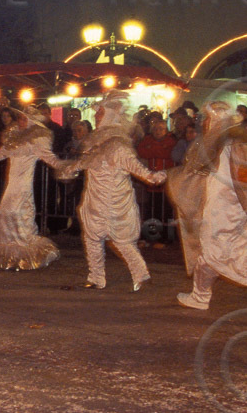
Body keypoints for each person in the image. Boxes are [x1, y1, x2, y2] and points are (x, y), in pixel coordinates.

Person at [168, 101, 247, 324]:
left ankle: (201, 296)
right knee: (244, 258)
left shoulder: (235, 145)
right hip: (221, 211)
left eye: (207, 118)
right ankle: (203, 296)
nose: (204, 123)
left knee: (224, 256)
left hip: (233, 214)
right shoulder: (215, 145)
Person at [55, 92, 165, 291]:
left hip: (114, 199)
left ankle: (141, 275)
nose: (96, 117)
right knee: (91, 238)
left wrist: (152, 176)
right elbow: (86, 162)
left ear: (110, 116)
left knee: (121, 240)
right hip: (94, 198)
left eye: (100, 114)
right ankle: (96, 277)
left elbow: (134, 165)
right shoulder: (97, 143)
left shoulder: (117, 145)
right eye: (97, 114)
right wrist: (70, 168)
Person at [0, 105, 63, 270]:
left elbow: (51, 158)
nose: (19, 121)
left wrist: (66, 167)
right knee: (4, 216)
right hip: (12, 184)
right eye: (19, 118)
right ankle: (12, 256)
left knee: (17, 215)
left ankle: (23, 254)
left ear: (30, 121)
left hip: (23, 185)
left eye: (23, 118)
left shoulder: (37, 139)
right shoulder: (14, 138)